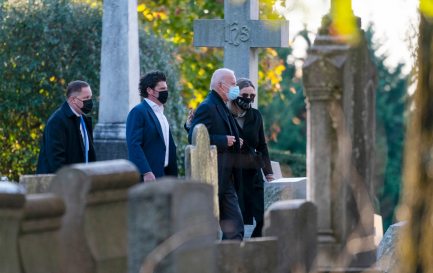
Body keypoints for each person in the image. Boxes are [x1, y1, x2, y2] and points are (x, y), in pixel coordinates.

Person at [188, 68, 244, 240]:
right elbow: (194, 136)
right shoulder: (207, 106)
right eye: (233, 84)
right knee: (233, 228)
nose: (236, 88)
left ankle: (228, 263)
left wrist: (235, 140)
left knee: (234, 228)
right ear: (221, 85)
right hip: (215, 176)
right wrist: (222, 140)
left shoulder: (221, 105)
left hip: (226, 176)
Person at [227, 78, 274, 237]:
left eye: (252, 95)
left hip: (253, 171)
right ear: (235, 94)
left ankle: (254, 245)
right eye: (244, 94)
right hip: (234, 174)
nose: (248, 98)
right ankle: (233, 249)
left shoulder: (255, 115)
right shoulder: (226, 114)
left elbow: (262, 144)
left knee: (263, 216)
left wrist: (268, 172)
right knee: (235, 217)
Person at [126, 71, 178, 182]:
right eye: (162, 89)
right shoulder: (138, 112)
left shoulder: (161, 114)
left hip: (165, 174)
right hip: (149, 177)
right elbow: (134, 145)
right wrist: (146, 172)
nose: (166, 92)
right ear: (150, 90)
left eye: (166, 89)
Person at [36, 80, 96, 174]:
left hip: (81, 181)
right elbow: (56, 160)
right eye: (86, 98)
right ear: (73, 100)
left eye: (90, 97)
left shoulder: (83, 119)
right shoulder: (57, 121)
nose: (90, 101)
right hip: (61, 184)